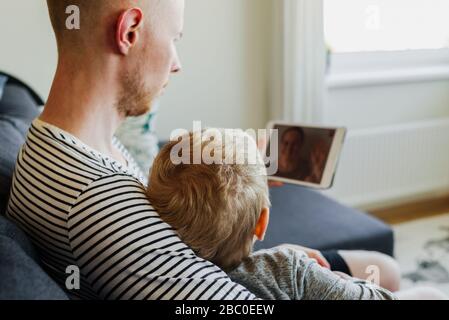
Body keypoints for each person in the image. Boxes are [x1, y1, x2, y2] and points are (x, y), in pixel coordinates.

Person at [6, 0, 402, 299]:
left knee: (381, 268)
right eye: (174, 39)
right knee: (407, 284)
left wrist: (244, 175)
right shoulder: (97, 201)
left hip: (238, 269)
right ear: (129, 31)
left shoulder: (54, 140)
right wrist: (292, 270)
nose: (176, 63)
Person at [147, 129, 398, 300]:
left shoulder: (159, 274)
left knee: (386, 269)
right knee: (426, 291)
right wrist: (339, 281)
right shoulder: (287, 269)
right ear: (262, 223)